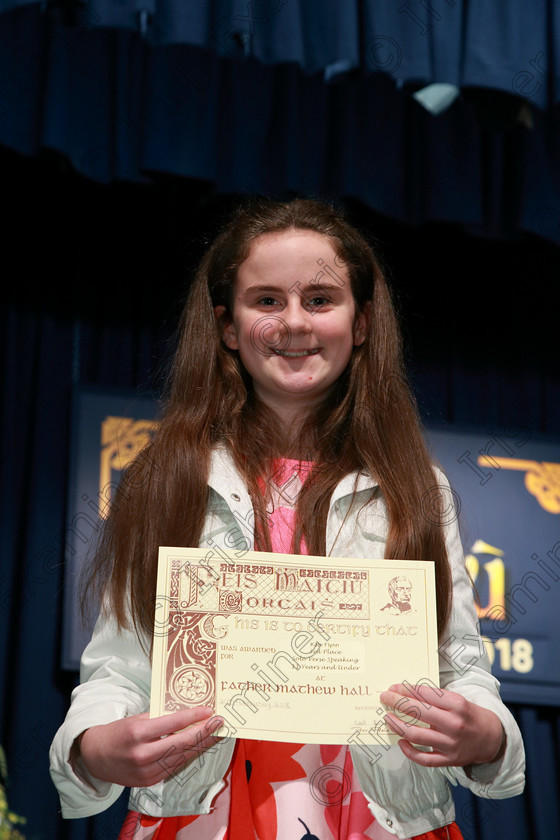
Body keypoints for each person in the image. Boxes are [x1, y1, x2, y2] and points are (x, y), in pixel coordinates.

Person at [50, 198, 525, 840]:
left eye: (321, 299)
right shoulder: (166, 477)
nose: (294, 322)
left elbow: (458, 667)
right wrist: (95, 749)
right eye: (266, 300)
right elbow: (121, 669)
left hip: (382, 820)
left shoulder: (418, 488)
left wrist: (486, 734)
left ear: (360, 323)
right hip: (202, 817)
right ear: (226, 324)